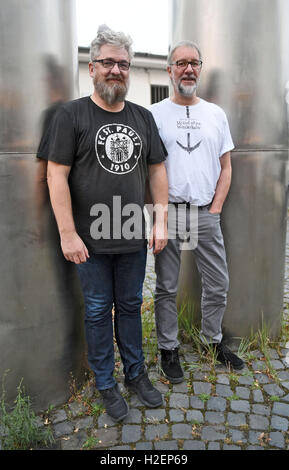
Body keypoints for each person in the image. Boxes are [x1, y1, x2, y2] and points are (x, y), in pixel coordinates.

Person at [37, 26, 168, 422]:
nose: (117, 70)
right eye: (108, 63)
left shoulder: (142, 117)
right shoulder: (70, 115)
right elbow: (55, 175)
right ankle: (106, 384)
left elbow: (157, 170)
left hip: (131, 233)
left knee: (129, 306)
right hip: (88, 241)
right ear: (92, 67)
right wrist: (66, 232)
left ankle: (135, 374)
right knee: (96, 310)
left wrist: (160, 221)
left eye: (123, 64)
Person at [149, 40, 244, 384]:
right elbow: (148, 168)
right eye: (181, 62)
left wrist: (216, 208)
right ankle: (168, 348)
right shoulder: (154, 114)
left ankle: (212, 340)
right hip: (169, 213)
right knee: (166, 287)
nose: (188, 68)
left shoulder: (215, 114)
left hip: (205, 213)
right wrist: (157, 216)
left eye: (194, 62)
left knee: (218, 283)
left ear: (200, 68)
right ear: (169, 69)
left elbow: (226, 166)